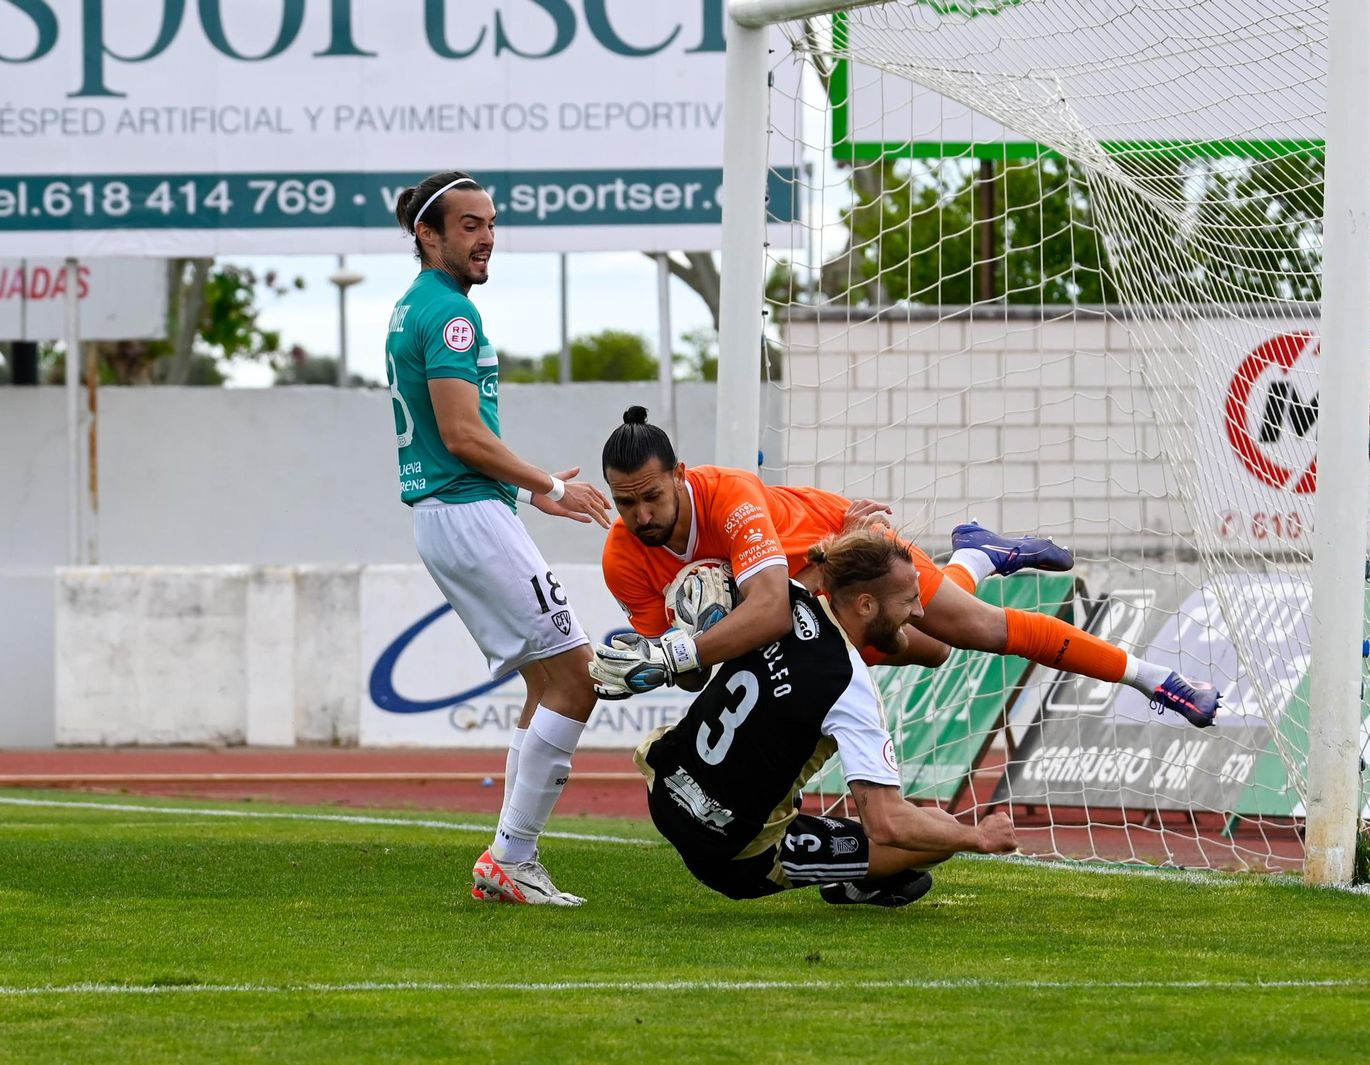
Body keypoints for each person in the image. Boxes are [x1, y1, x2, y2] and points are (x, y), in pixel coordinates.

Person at [590, 407, 1219, 728]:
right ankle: (978, 553)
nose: (642, 514)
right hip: (796, 603)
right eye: (626, 503)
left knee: (977, 631)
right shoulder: (622, 556)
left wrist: (677, 653)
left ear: (680, 475)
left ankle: (1154, 678)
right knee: (929, 648)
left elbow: (770, 609)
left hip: (844, 551)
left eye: (653, 496)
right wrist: (655, 665)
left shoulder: (729, 494)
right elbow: (697, 673)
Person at [385, 169, 613, 906]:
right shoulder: (450, 315)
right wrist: (548, 484)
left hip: (456, 513)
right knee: (577, 676)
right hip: (467, 514)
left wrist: (523, 488)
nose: (487, 238)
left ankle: (508, 861)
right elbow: (459, 433)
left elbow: (455, 437)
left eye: (490, 223)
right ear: (429, 234)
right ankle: (511, 857)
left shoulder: (413, 307)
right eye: (470, 225)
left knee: (548, 681)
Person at [636, 528, 1018, 905]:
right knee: (940, 831)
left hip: (664, 788)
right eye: (909, 601)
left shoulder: (786, 597)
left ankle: (972, 560)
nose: (919, 612)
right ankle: (858, 883)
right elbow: (886, 823)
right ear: (865, 605)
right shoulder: (848, 684)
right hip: (729, 853)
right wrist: (976, 837)